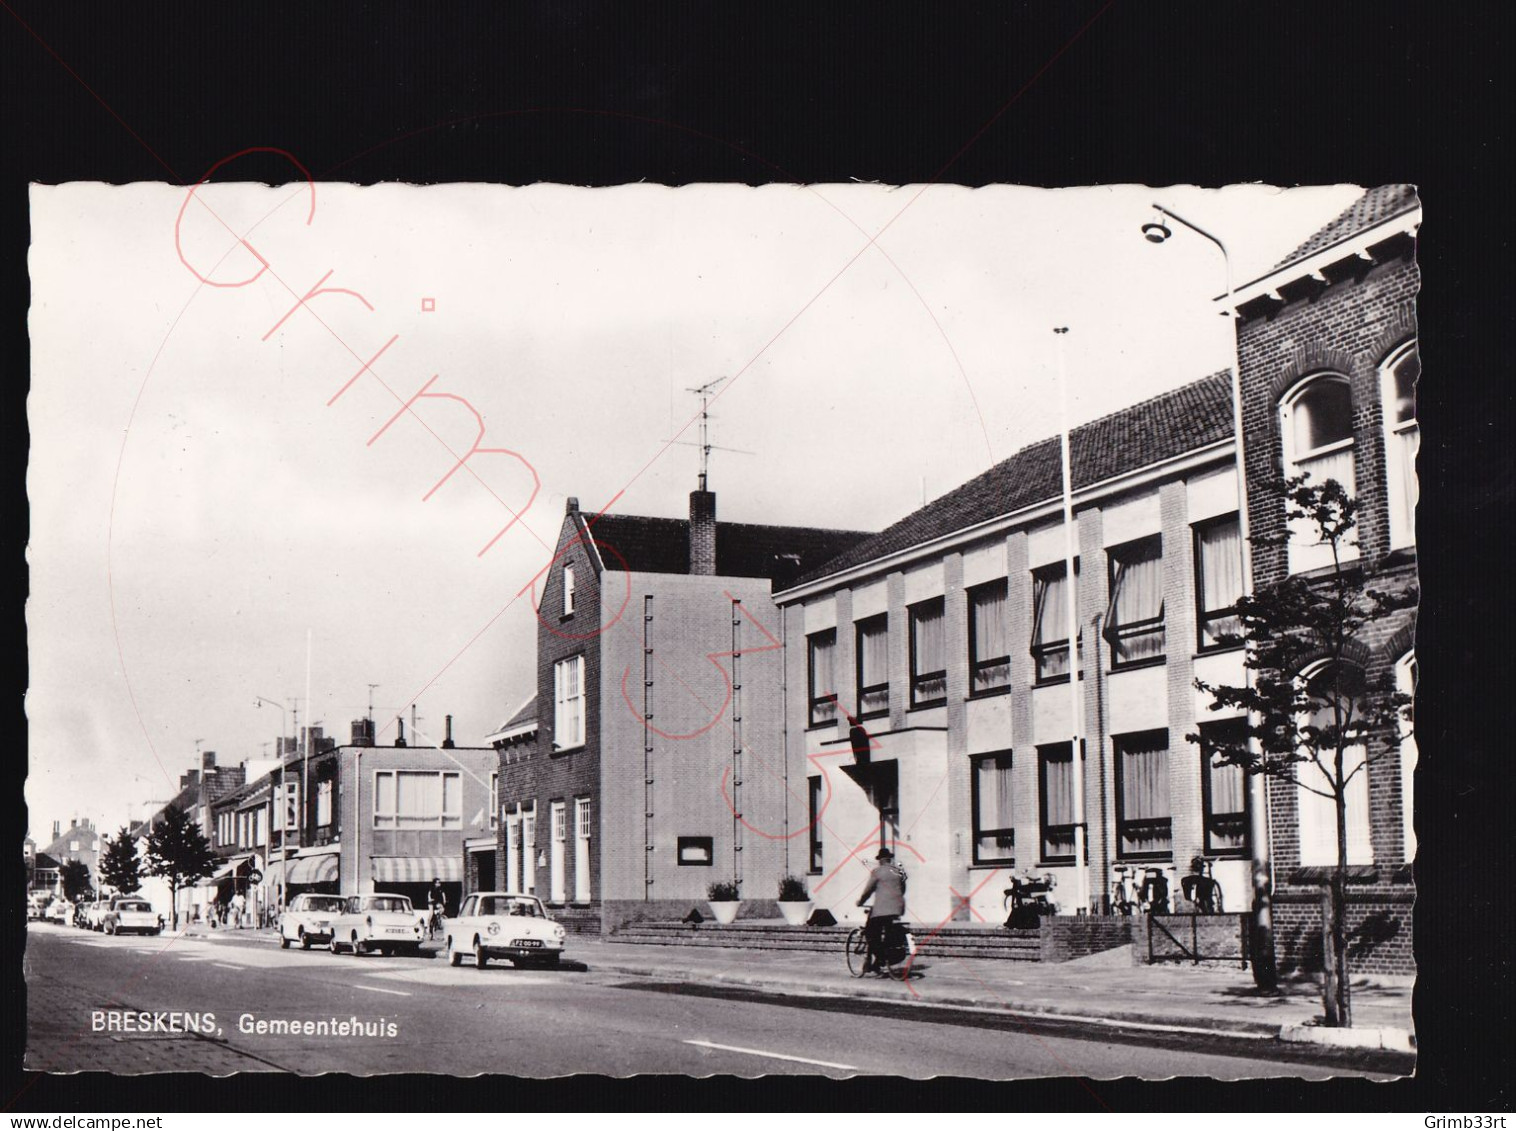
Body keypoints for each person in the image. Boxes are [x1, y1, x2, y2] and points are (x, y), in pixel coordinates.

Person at [856, 848, 907, 975]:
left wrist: (860, 902)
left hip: (881, 910)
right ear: (889, 859)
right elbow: (903, 889)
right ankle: (879, 961)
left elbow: (868, 891)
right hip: (897, 909)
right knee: (888, 933)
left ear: (880, 860)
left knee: (871, 934)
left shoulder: (877, 872)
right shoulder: (898, 871)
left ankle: (881, 958)